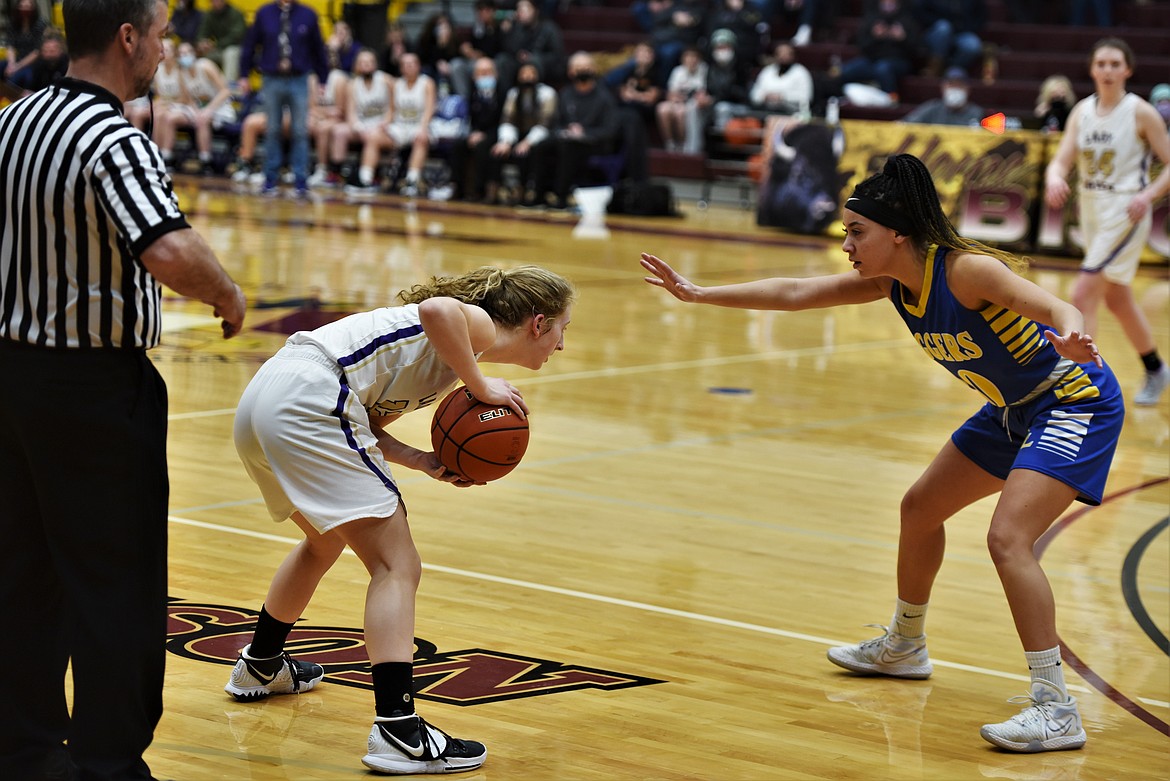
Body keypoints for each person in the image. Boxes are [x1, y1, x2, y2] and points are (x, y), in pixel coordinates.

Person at [641, 152, 1125, 754]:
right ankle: (904, 646)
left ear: (898, 232)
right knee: (920, 508)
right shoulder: (892, 282)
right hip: (1012, 408)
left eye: (856, 231)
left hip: (1072, 399)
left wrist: (1074, 334)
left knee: (1007, 539)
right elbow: (795, 291)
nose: (846, 243)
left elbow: (1054, 308)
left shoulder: (966, 271)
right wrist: (700, 294)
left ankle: (1056, 706)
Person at [0, 0, 247, 778]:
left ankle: (25, 747)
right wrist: (228, 294)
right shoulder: (111, 136)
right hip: (94, 390)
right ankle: (109, 761)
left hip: (10, 376)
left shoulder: (15, 119)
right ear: (128, 37)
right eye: (164, 36)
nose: (167, 52)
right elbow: (168, 248)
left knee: (22, 574)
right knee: (117, 582)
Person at [225, 265, 574, 775]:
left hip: (267, 400)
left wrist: (424, 461)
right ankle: (398, 728)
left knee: (323, 544)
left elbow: (367, 425)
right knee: (397, 565)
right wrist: (481, 385)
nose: (561, 345)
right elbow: (437, 310)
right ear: (538, 323)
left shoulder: (451, 349)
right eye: (564, 328)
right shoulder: (474, 326)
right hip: (310, 398)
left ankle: (260, 665)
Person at [1045, 37, 1170, 406]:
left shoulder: (1140, 112)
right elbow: (1062, 159)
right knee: (1116, 297)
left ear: (1128, 70)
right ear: (1092, 69)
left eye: (1116, 64)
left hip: (1126, 210)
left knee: (1082, 293)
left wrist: (1147, 196)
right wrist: (1054, 176)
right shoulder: (1081, 111)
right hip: (1093, 210)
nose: (1108, 70)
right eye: (1102, 63)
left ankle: (1087, 383)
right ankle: (1155, 369)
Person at [238, 0, 330, 198]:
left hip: (299, 78)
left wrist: (323, 78)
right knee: (272, 128)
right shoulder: (264, 12)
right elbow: (251, 43)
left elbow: (318, 48)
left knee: (299, 130)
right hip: (272, 78)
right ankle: (270, 177)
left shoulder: (308, 14)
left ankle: (300, 180)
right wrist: (244, 74)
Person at [529, 50, 621, 210]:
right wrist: (564, 131)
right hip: (567, 138)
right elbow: (556, 123)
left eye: (586, 67)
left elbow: (610, 130)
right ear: (570, 71)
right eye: (578, 68)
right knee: (542, 146)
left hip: (595, 143)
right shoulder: (566, 94)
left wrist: (584, 133)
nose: (582, 71)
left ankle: (561, 196)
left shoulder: (604, 97)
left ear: (593, 69)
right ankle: (539, 195)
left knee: (568, 147)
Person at [346, 51, 435, 197]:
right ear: (401, 68)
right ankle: (365, 179)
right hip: (400, 126)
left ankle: (412, 181)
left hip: (419, 125)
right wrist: (384, 124)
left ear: (418, 66)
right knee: (373, 138)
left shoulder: (426, 83)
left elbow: (429, 109)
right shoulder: (396, 84)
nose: (408, 67)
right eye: (405, 65)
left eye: (412, 64)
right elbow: (391, 110)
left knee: (421, 138)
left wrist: (423, 128)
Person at [156, 40, 237, 174]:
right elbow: (188, 99)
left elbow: (226, 91)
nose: (184, 56)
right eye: (181, 53)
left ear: (194, 53)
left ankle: (206, 161)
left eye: (187, 52)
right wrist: (195, 110)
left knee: (202, 119)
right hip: (199, 108)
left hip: (220, 107)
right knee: (169, 118)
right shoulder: (182, 72)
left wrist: (209, 110)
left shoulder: (206, 66)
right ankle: (165, 157)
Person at [491, 60, 557, 205]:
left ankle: (525, 191)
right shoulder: (514, 93)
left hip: (541, 136)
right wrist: (506, 142)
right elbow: (507, 119)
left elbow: (545, 124)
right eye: (524, 73)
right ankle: (492, 189)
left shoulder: (547, 93)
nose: (528, 77)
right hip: (518, 133)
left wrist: (528, 142)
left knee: (527, 152)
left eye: (531, 73)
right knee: (495, 149)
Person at [329, 48, 393, 190]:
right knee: (339, 131)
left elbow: (392, 108)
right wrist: (358, 128)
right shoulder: (352, 85)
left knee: (373, 137)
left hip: (382, 126)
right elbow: (351, 113)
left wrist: (385, 123)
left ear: (375, 64)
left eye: (370, 62)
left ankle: (370, 176)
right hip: (361, 125)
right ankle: (336, 173)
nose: (367, 65)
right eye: (363, 62)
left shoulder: (386, 80)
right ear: (357, 65)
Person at [838, 0, 921, 101]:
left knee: (883, 69)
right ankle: (839, 97)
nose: (888, 3)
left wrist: (902, 39)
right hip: (872, 59)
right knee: (847, 70)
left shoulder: (909, 20)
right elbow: (861, 46)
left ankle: (892, 100)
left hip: (898, 60)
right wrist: (874, 37)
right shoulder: (872, 19)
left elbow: (917, 51)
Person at [449, 56, 504, 202]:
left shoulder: (504, 92)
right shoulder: (471, 92)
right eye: (481, 72)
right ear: (474, 76)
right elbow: (470, 119)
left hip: (497, 132)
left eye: (488, 72)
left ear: (496, 74)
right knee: (458, 145)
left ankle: (480, 190)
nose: (485, 75)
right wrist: (473, 133)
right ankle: (457, 187)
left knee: (483, 146)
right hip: (476, 131)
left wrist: (484, 135)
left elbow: (504, 120)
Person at [496, 0, 565, 93]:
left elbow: (557, 55)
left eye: (526, 8)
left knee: (533, 62)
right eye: (519, 9)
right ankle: (507, 98)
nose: (521, 12)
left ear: (536, 11)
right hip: (520, 62)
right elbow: (509, 49)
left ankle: (534, 99)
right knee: (502, 60)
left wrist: (533, 57)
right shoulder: (516, 27)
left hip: (543, 64)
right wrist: (506, 32)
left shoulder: (549, 28)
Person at [912, 0, 986, 76]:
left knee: (973, 45)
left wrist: (966, 27)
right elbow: (920, 12)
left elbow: (981, 15)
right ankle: (934, 66)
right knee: (944, 27)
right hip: (934, 31)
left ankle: (951, 69)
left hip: (961, 32)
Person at [657, 45, 707, 153]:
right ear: (683, 59)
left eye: (694, 57)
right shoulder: (678, 71)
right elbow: (670, 94)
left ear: (699, 59)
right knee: (662, 109)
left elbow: (702, 93)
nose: (691, 60)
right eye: (688, 56)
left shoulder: (703, 70)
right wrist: (677, 97)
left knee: (680, 112)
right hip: (678, 101)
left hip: (692, 104)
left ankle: (683, 144)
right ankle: (669, 143)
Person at [900, 66, 982, 126]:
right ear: (943, 88)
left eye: (959, 85)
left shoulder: (975, 112)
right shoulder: (932, 107)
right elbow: (905, 124)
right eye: (951, 85)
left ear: (967, 89)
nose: (955, 89)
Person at [749, 40, 814, 116]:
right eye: (779, 53)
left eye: (786, 54)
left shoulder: (801, 72)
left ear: (793, 55)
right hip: (766, 112)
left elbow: (806, 97)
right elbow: (754, 95)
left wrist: (782, 97)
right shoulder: (767, 71)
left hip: (792, 115)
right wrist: (765, 96)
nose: (783, 56)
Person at [1, 0, 48, 91]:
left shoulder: (40, 24)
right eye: (22, 6)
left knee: (15, 78)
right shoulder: (13, 23)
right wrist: (11, 64)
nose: (25, 9)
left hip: (33, 63)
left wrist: (17, 66)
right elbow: (10, 45)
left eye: (28, 6)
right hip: (17, 58)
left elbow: (37, 51)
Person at [197, 0, 247, 83]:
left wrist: (215, 45)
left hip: (236, 47)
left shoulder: (236, 13)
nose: (214, 3)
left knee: (230, 54)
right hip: (218, 48)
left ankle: (229, 86)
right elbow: (202, 32)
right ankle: (204, 86)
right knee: (200, 54)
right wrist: (203, 43)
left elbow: (237, 36)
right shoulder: (210, 14)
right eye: (212, 1)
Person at [20, 27, 68, 93]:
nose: (48, 54)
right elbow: (32, 88)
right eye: (45, 51)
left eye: (52, 51)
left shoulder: (67, 66)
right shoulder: (38, 65)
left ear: (61, 50)